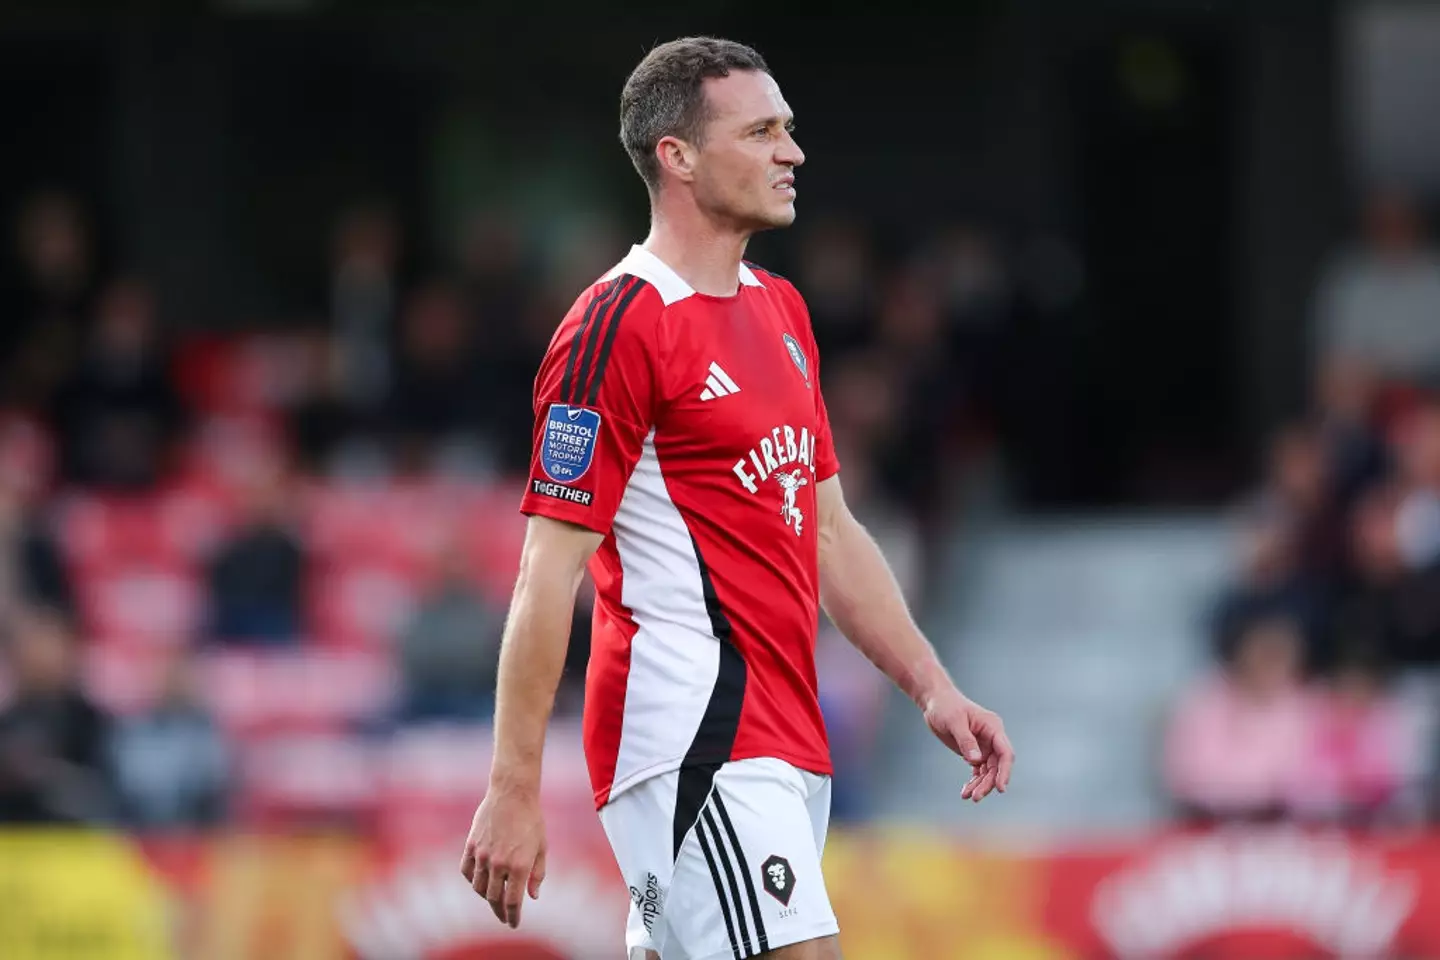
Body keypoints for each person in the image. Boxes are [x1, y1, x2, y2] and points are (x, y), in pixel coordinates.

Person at [459, 37, 1014, 960]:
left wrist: (933, 687)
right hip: (694, 734)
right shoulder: (616, 324)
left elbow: (829, 531)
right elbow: (544, 574)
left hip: (788, 736)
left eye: (788, 131)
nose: (791, 153)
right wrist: (514, 784)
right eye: (760, 132)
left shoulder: (782, 311)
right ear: (676, 156)